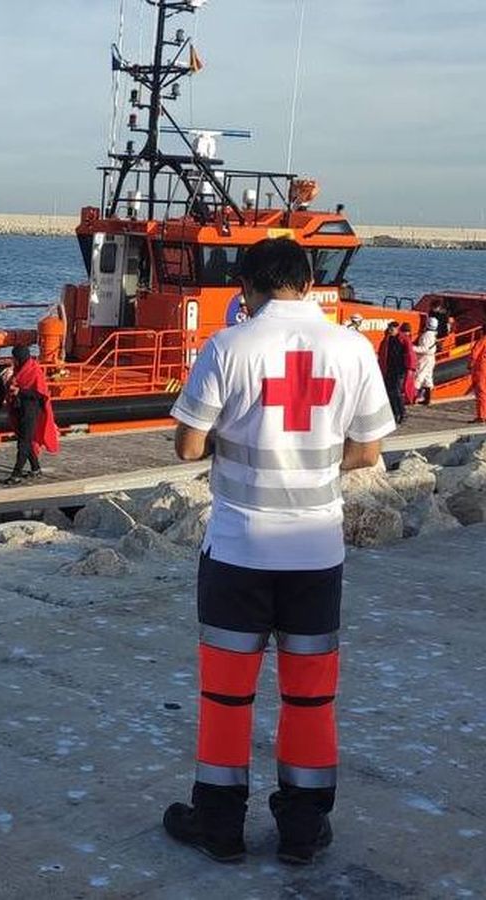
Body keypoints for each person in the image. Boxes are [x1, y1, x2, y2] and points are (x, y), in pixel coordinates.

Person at [163, 237, 394, 866]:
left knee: (226, 697)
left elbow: (187, 447)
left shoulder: (229, 346)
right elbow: (369, 451)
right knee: (311, 697)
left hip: (238, 549)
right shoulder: (352, 349)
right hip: (316, 553)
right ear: (309, 279)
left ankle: (218, 826)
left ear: (247, 285)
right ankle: (301, 829)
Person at [5, 344, 59, 484]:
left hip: (31, 411)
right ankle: (35, 468)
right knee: (25, 441)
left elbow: (40, 394)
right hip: (20, 409)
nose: (13, 360)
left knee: (23, 443)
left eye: (14, 357)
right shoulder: (19, 370)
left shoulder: (34, 371)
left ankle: (16, 474)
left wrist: (20, 391)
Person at [377, 322, 411, 425]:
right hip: (389, 369)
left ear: (397, 329)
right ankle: (394, 413)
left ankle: (402, 413)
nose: (390, 331)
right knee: (389, 392)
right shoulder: (387, 340)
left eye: (392, 329)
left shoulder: (402, 340)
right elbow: (382, 353)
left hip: (399, 369)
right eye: (390, 329)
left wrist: (408, 369)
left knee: (396, 392)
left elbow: (409, 354)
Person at [413, 322, 438, 405]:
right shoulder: (434, 335)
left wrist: (411, 348)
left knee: (418, 376)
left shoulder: (426, 335)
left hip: (424, 358)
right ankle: (427, 399)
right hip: (431, 358)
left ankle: (412, 398)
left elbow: (424, 349)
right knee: (428, 377)